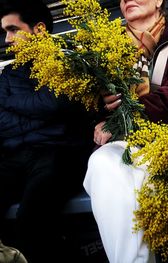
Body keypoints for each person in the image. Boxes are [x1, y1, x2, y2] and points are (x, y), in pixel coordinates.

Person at [82, 0, 168, 261]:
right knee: (103, 163)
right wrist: (100, 109)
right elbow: (87, 109)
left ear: (159, 1)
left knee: (128, 181)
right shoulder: (105, 47)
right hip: (120, 147)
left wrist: (124, 116)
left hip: (167, 144)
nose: (126, 0)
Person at [0, 0, 95, 262]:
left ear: (39, 30)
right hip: (13, 156)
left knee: (31, 222)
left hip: (58, 156)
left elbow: (57, 105)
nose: (7, 40)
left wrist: (12, 104)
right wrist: (44, 116)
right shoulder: (7, 76)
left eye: (13, 30)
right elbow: (5, 121)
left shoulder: (70, 64)